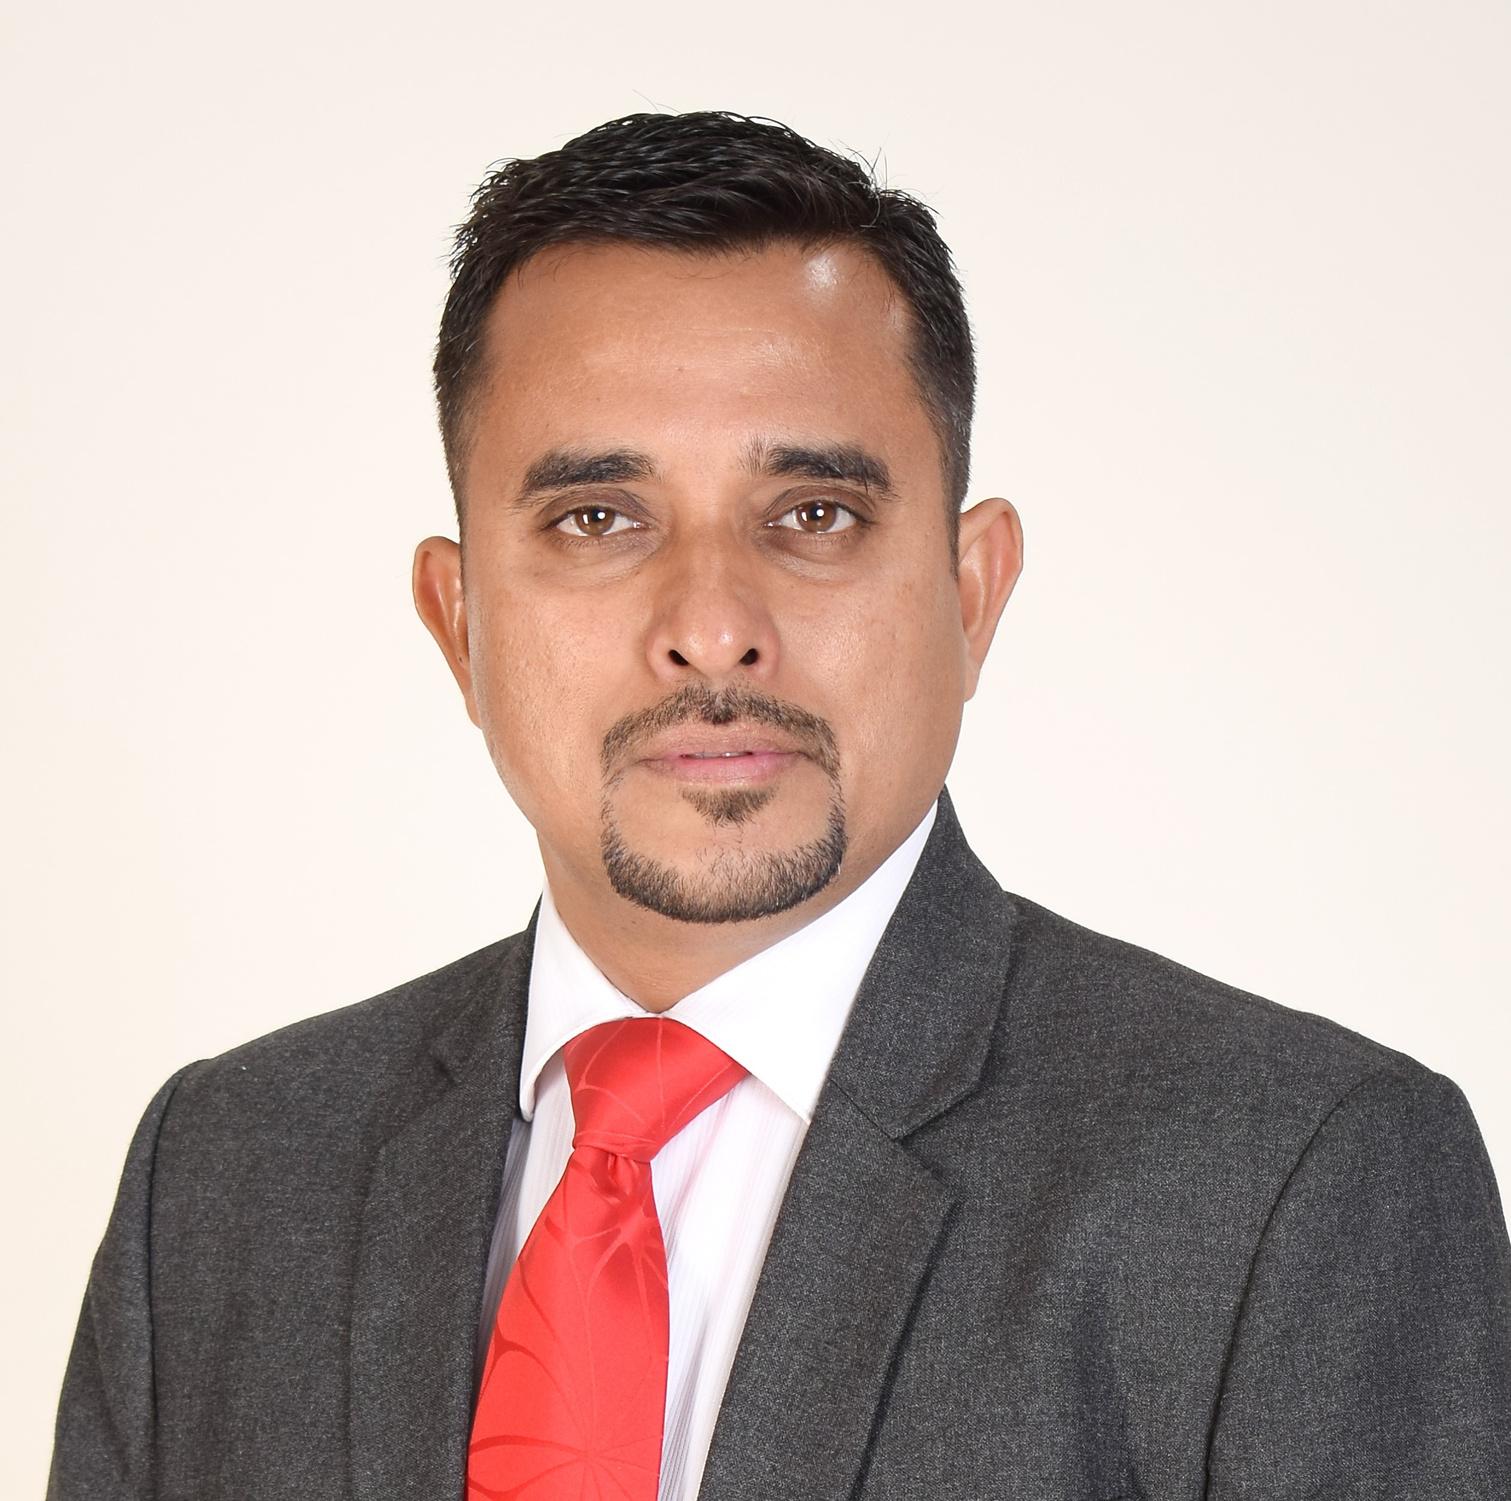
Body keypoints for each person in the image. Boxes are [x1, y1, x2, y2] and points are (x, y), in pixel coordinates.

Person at [49, 110, 1510, 1501]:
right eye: (597, 519)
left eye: (815, 516)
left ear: (972, 592)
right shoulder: (225, 1173)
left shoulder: (1298, 1182)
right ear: (458, 619)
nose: (712, 628)